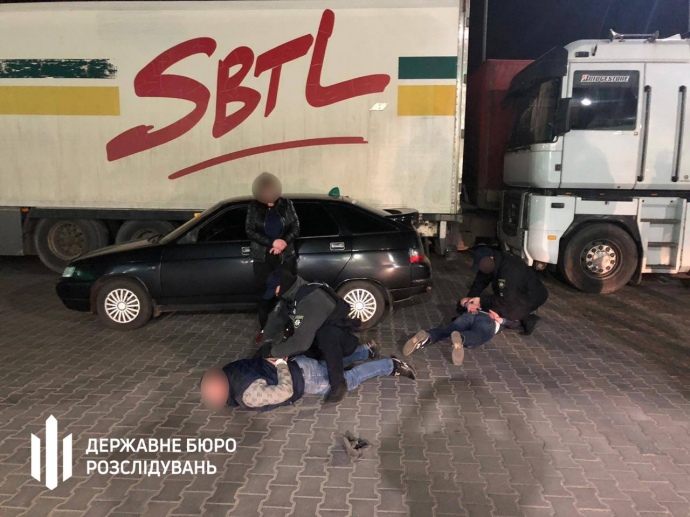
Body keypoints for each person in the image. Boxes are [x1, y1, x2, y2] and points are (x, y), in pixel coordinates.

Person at [200, 344, 417, 411]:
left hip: (304, 378)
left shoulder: (247, 396)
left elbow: (285, 391)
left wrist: (281, 364)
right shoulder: (229, 370)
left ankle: (390, 366)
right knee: (330, 364)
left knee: (347, 380)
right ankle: (365, 351)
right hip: (300, 363)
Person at [256, 268, 361, 404]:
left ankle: (338, 383)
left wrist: (272, 352)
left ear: (282, 286)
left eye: (275, 290)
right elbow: (276, 320)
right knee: (298, 348)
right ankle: (361, 353)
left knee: (324, 336)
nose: (275, 294)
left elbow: (301, 343)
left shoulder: (310, 300)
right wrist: (266, 343)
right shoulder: (292, 294)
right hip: (324, 337)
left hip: (345, 338)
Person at [246, 173, 300, 340]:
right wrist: (272, 243)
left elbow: (295, 227)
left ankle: (289, 327)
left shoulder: (286, 204)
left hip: (285, 256)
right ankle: (265, 329)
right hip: (263, 258)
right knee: (265, 296)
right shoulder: (253, 207)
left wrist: (283, 242)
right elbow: (250, 231)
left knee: (288, 293)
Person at [459, 247, 548, 335]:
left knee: (499, 310)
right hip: (511, 293)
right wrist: (471, 299)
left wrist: (480, 300)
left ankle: (526, 320)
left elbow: (507, 298)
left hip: (531, 296)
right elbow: (480, 282)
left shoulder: (509, 269)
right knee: (468, 306)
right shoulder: (489, 263)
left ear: (491, 258)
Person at [403, 298, 507, 365]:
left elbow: (462, 302)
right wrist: (503, 320)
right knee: (477, 336)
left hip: (471, 314)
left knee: (447, 331)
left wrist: (467, 304)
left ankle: (427, 336)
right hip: (489, 320)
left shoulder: (484, 297)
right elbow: (514, 321)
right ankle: (461, 338)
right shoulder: (506, 302)